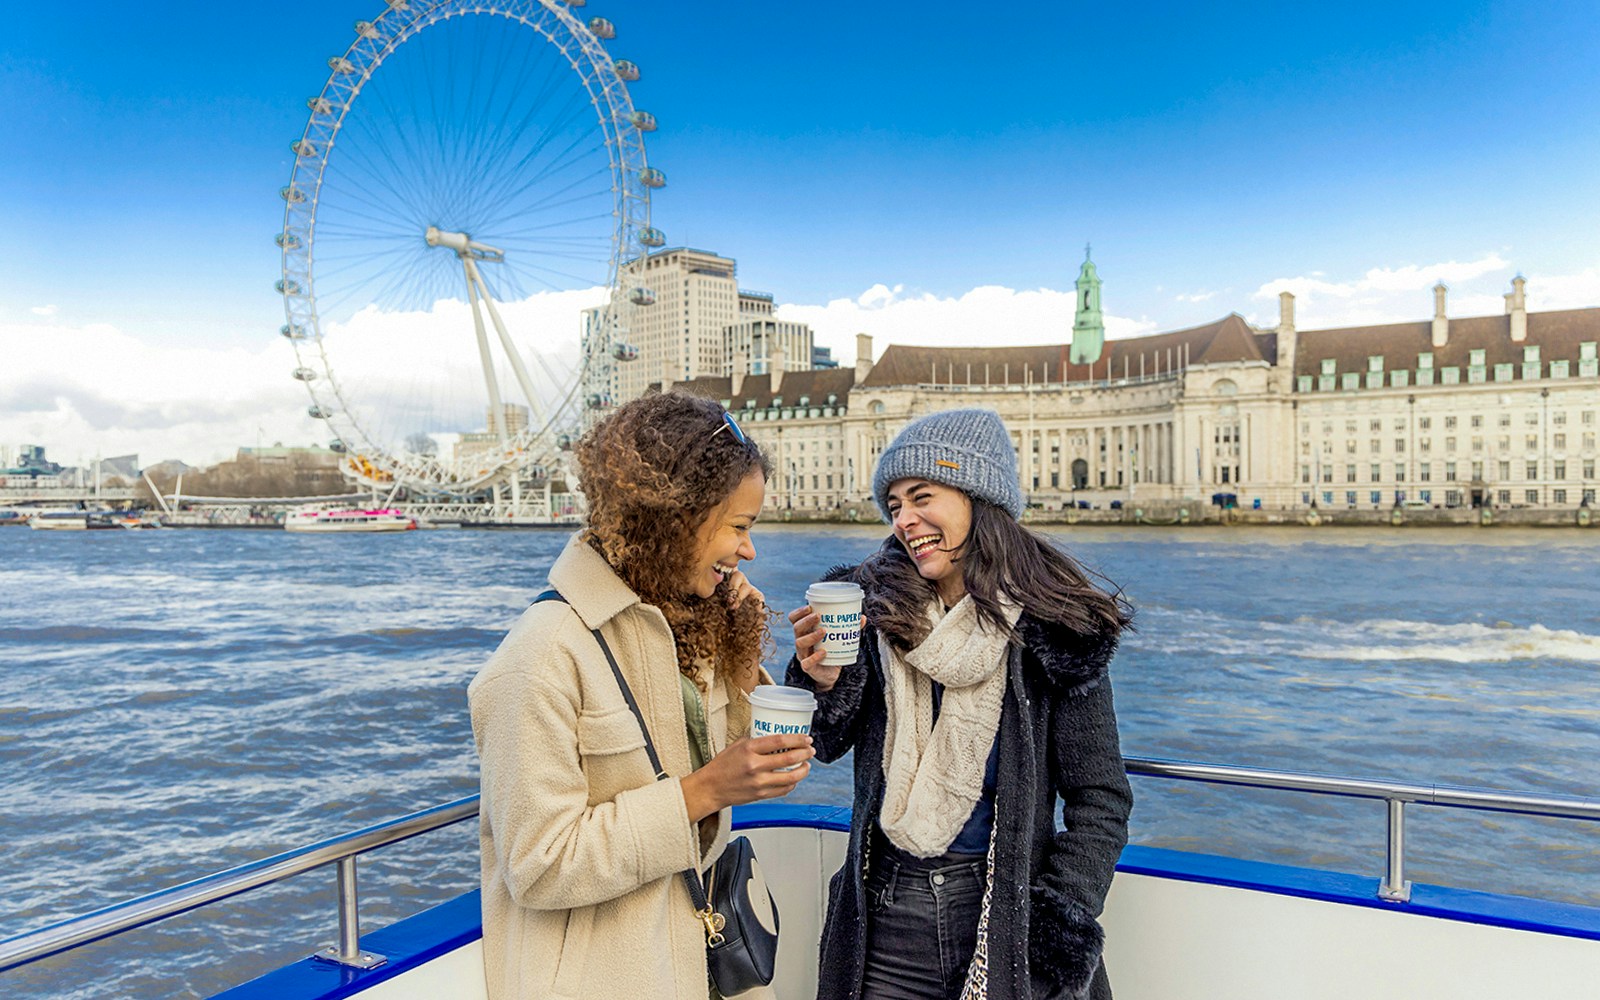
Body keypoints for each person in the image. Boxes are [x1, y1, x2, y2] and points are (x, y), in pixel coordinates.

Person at [470, 391, 815, 1000]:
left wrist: (746, 650)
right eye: (738, 527)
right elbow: (537, 865)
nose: (749, 550)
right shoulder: (539, 657)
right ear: (675, 516)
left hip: (686, 965)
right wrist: (703, 791)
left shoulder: (683, 622)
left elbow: (727, 763)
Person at [787, 408, 1133, 1000]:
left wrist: (1056, 921)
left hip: (1004, 919)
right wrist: (819, 680)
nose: (905, 520)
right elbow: (822, 744)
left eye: (922, 497)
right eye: (894, 505)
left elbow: (1100, 796)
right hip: (884, 916)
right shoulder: (873, 609)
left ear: (979, 497)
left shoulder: (1056, 629)